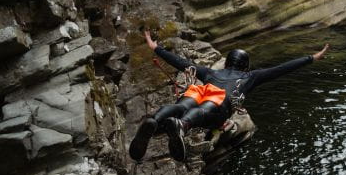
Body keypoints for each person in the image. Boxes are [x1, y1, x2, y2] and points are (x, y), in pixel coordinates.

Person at [129, 30, 329, 162]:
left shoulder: (210, 72)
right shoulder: (250, 77)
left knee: (182, 106)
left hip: (202, 89)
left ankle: (155, 119)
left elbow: (181, 63)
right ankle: (182, 125)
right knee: (203, 110)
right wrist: (311, 58)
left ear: (227, 64)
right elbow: (282, 69)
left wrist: (157, 48)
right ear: (245, 66)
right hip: (220, 99)